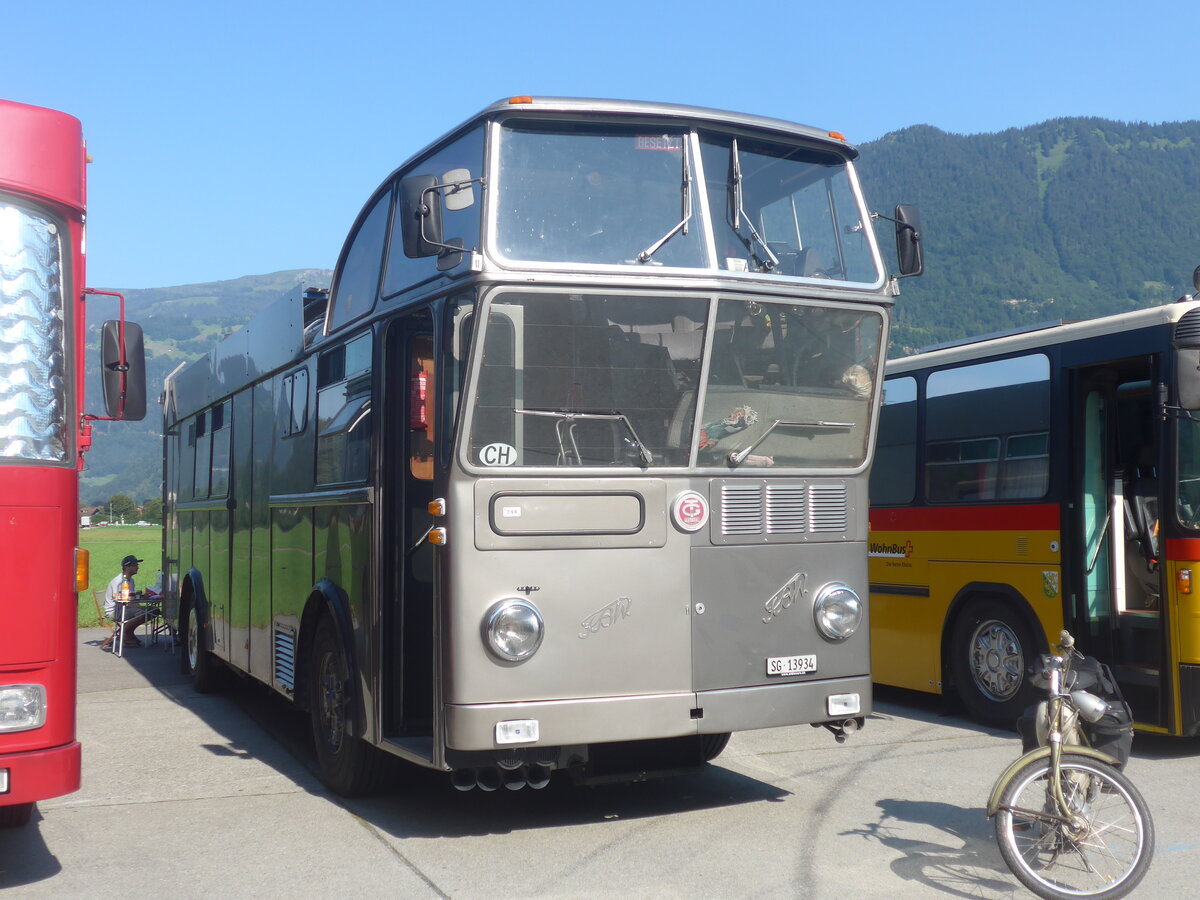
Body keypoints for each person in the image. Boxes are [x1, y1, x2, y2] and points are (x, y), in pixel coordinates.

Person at [104, 555, 155, 648]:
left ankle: (127, 632)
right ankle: (126, 634)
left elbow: (130, 599)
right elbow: (118, 600)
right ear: (127, 567)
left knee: (153, 610)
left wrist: (141, 599)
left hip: (125, 608)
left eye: (137, 565)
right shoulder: (118, 581)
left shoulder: (131, 581)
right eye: (135, 565)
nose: (138, 567)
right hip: (115, 611)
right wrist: (137, 606)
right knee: (143, 612)